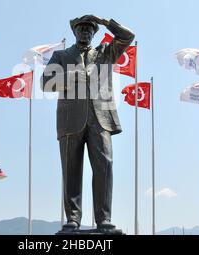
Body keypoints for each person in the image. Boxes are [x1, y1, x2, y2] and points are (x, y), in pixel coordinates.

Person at [41, 15, 135, 233]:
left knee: (105, 167)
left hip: (100, 119)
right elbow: (45, 83)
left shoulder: (105, 52)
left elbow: (128, 36)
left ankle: (104, 220)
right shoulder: (61, 55)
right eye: (81, 29)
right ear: (74, 32)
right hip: (70, 120)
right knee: (71, 170)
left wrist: (104, 21)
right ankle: (73, 218)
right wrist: (75, 76)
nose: (84, 32)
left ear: (94, 33)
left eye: (89, 29)